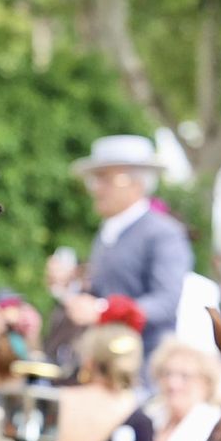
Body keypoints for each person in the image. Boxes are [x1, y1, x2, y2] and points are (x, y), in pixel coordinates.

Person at [52, 134, 192, 362]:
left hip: (143, 364)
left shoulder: (165, 233)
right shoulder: (107, 232)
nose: (96, 189)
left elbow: (166, 301)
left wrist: (102, 310)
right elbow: (104, 289)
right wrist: (71, 284)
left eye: (106, 180)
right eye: (95, 180)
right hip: (105, 361)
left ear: (137, 183)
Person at [145, 338, 221, 441]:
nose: (173, 384)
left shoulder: (214, 425)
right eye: (167, 374)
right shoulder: (152, 414)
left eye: (185, 376)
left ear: (206, 383)